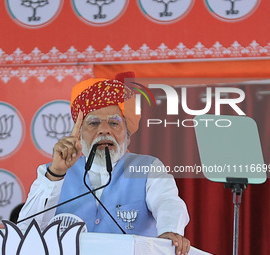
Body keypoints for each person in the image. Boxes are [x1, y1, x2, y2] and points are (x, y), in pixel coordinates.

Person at [18, 73, 190, 255]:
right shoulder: (52, 172)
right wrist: (56, 174)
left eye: (114, 123)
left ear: (127, 133)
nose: (104, 130)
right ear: (79, 133)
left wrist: (169, 231)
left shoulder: (148, 168)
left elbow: (167, 202)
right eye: (93, 123)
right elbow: (25, 229)